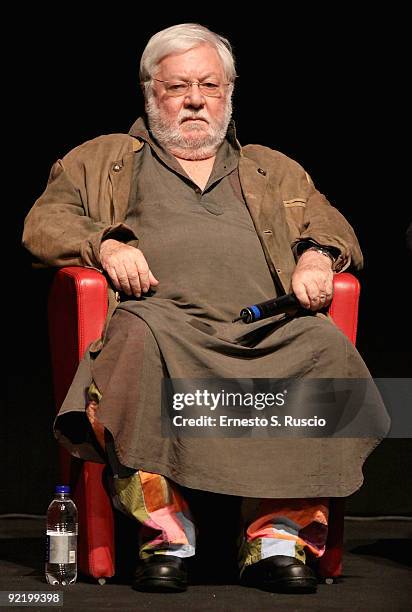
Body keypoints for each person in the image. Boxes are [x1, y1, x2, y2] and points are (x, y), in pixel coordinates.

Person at [23, 23, 389, 595]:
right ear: (150, 92)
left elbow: (332, 224)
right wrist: (107, 245)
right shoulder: (104, 158)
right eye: (179, 87)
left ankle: (276, 539)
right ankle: (166, 535)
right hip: (164, 323)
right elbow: (43, 225)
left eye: (210, 86)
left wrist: (318, 256)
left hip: (262, 328)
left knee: (324, 347)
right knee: (134, 339)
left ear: (230, 91)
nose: (196, 99)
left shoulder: (272, 168)